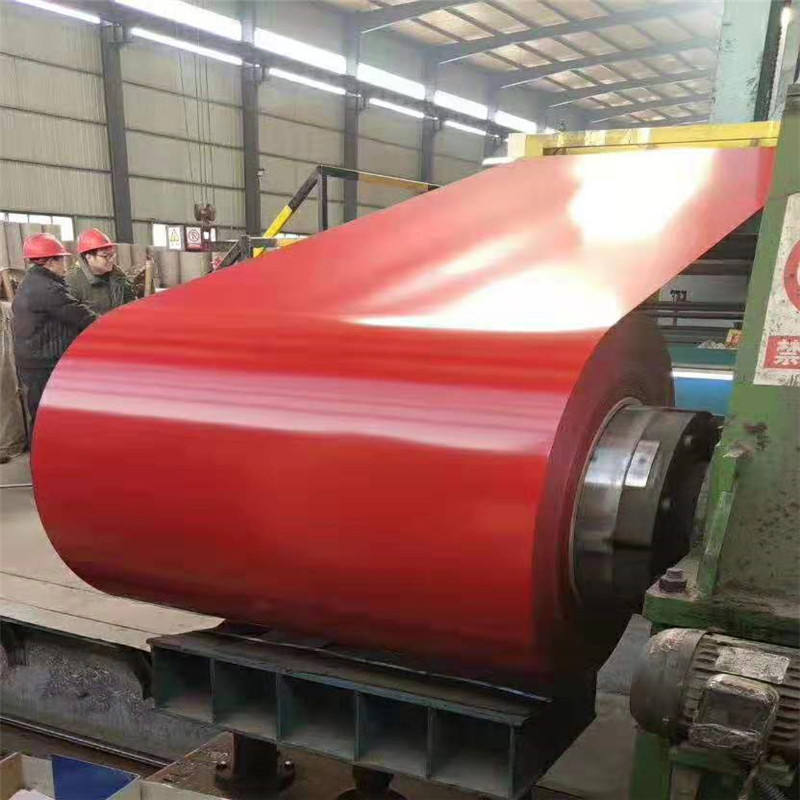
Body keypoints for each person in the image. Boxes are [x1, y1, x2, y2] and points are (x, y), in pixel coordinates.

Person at [12, 233, 98, 425]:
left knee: (44, 414)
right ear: (51, 262)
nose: (65, 264)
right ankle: (42, 445)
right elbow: (81, 316)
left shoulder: (32, 282)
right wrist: (111, 324)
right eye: (62, 259)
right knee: (45, 418)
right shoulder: (47, 289)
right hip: (44, 365)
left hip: (35, 361)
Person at [67, 228, 135, 315]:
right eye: (105, 256)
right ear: (89, 257)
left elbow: (131, 304)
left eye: (112, 255)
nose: (111, 260)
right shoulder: (72, 282)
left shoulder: (118, 275)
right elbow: (68, 317)